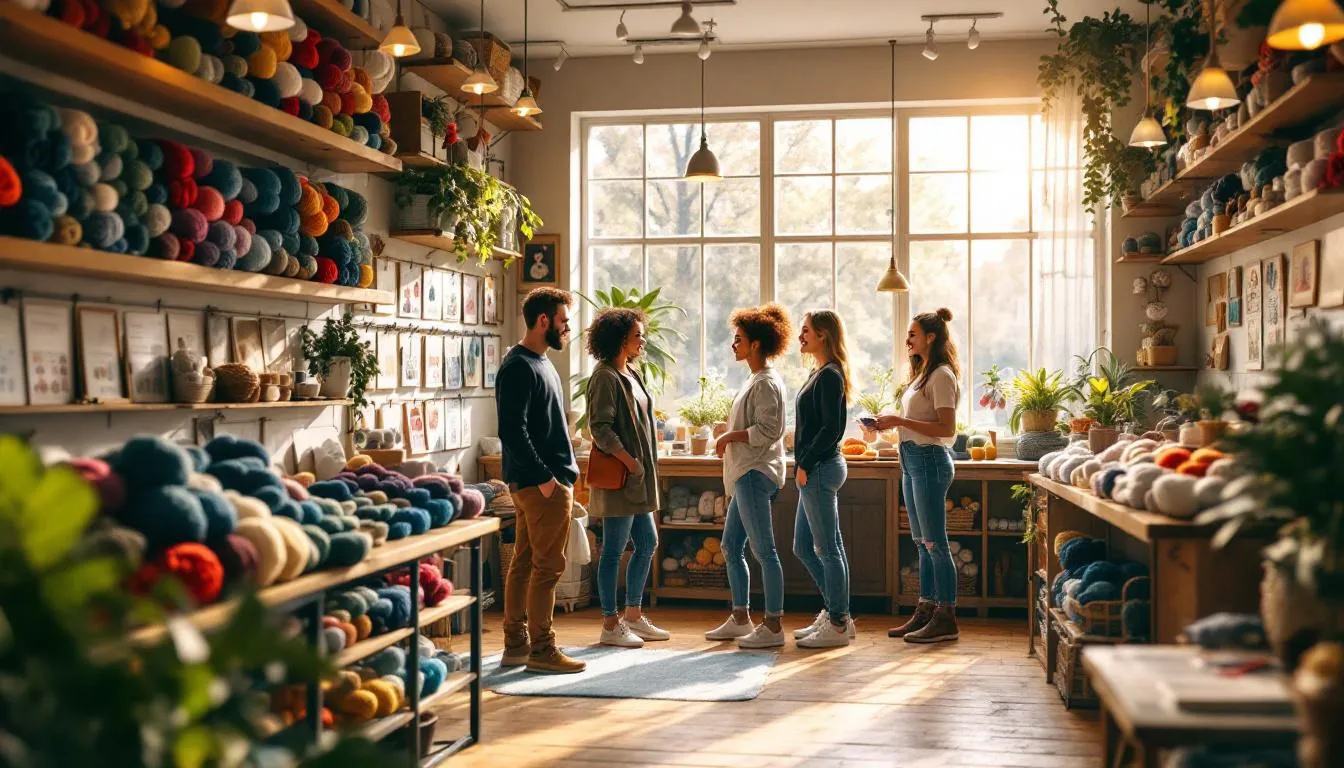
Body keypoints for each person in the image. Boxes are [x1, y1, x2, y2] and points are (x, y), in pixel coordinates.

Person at [495, 288, 586, 674]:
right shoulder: (518, 366)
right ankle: (542, 650)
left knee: (524, 562)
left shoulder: (541, 363)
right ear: (544, 320)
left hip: (541, 483)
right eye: (563, 321)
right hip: (540, 486)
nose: (568, 328)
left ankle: (516, 645)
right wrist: (547, 480)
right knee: (547, 569)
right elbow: (512, 432)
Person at [705, 304, 792, 649]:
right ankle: (740, 617)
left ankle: (772, 625)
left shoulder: (766, 382)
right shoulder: (755, 381)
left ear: (756, 344)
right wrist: (726, 429)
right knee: (730, 545)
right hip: (746, 473)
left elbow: (770, 429)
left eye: (738, 339)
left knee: (764, 550)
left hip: (756, 473)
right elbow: (753, 423)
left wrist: (729, 436)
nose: (733, 344)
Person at [584, 307, 670, 648]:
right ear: (621, 339)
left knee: (647, 543)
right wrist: (629, 461)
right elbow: (599, 427)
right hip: (622, 478)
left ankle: (632, 615)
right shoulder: (604, 376)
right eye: (637, 335)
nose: (643, 340)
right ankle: (609, 623)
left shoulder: (631, 373)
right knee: (614, 551)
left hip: (637, 479)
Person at [877, 308, 962, 643]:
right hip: (912, 459)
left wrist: (899, 422)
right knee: (922, 543)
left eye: (912, 334)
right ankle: (925, 610)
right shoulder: (922, 374)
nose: (907, 339)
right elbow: (917, 424)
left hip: (929, 460)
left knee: (935, 543)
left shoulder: (941, 375)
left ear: (931, 337)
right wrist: (889, 425)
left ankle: (947, 617)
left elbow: (947, 427)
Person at [791, 311, 856, 649]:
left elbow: (833, 428)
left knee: (827, 549)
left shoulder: (829, 375)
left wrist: (805, 462)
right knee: (805, 547)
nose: (801, 336)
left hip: (819, 470)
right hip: (815, 469)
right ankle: (836, 610)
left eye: (806, 331)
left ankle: (838, 622)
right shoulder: (819, 372)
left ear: (823, 336)